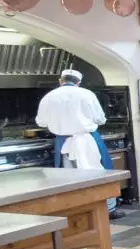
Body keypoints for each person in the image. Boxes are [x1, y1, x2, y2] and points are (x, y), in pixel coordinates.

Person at [36, 69, 122, 219]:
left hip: (63, 141)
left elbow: (41, 122)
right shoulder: (87, 94)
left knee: (69, 178)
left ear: (60, 81)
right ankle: (108, 209)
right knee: (101, 173)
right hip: (88, 139)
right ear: (78, 82)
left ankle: (78, 211)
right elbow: (100, 119)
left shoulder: (48, 97)